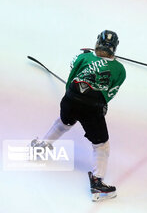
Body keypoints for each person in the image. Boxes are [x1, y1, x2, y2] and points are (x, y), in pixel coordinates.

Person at [31, 30, 126, 202]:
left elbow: (71, 77)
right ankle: (97, 183)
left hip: (70, 100)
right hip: (92, 107)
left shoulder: (82, 57)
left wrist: (69, 95)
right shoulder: (120, 69)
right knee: (101, 145)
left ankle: (41, 147)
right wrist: (102, 104)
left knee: (64, 123)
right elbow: (111, 91)